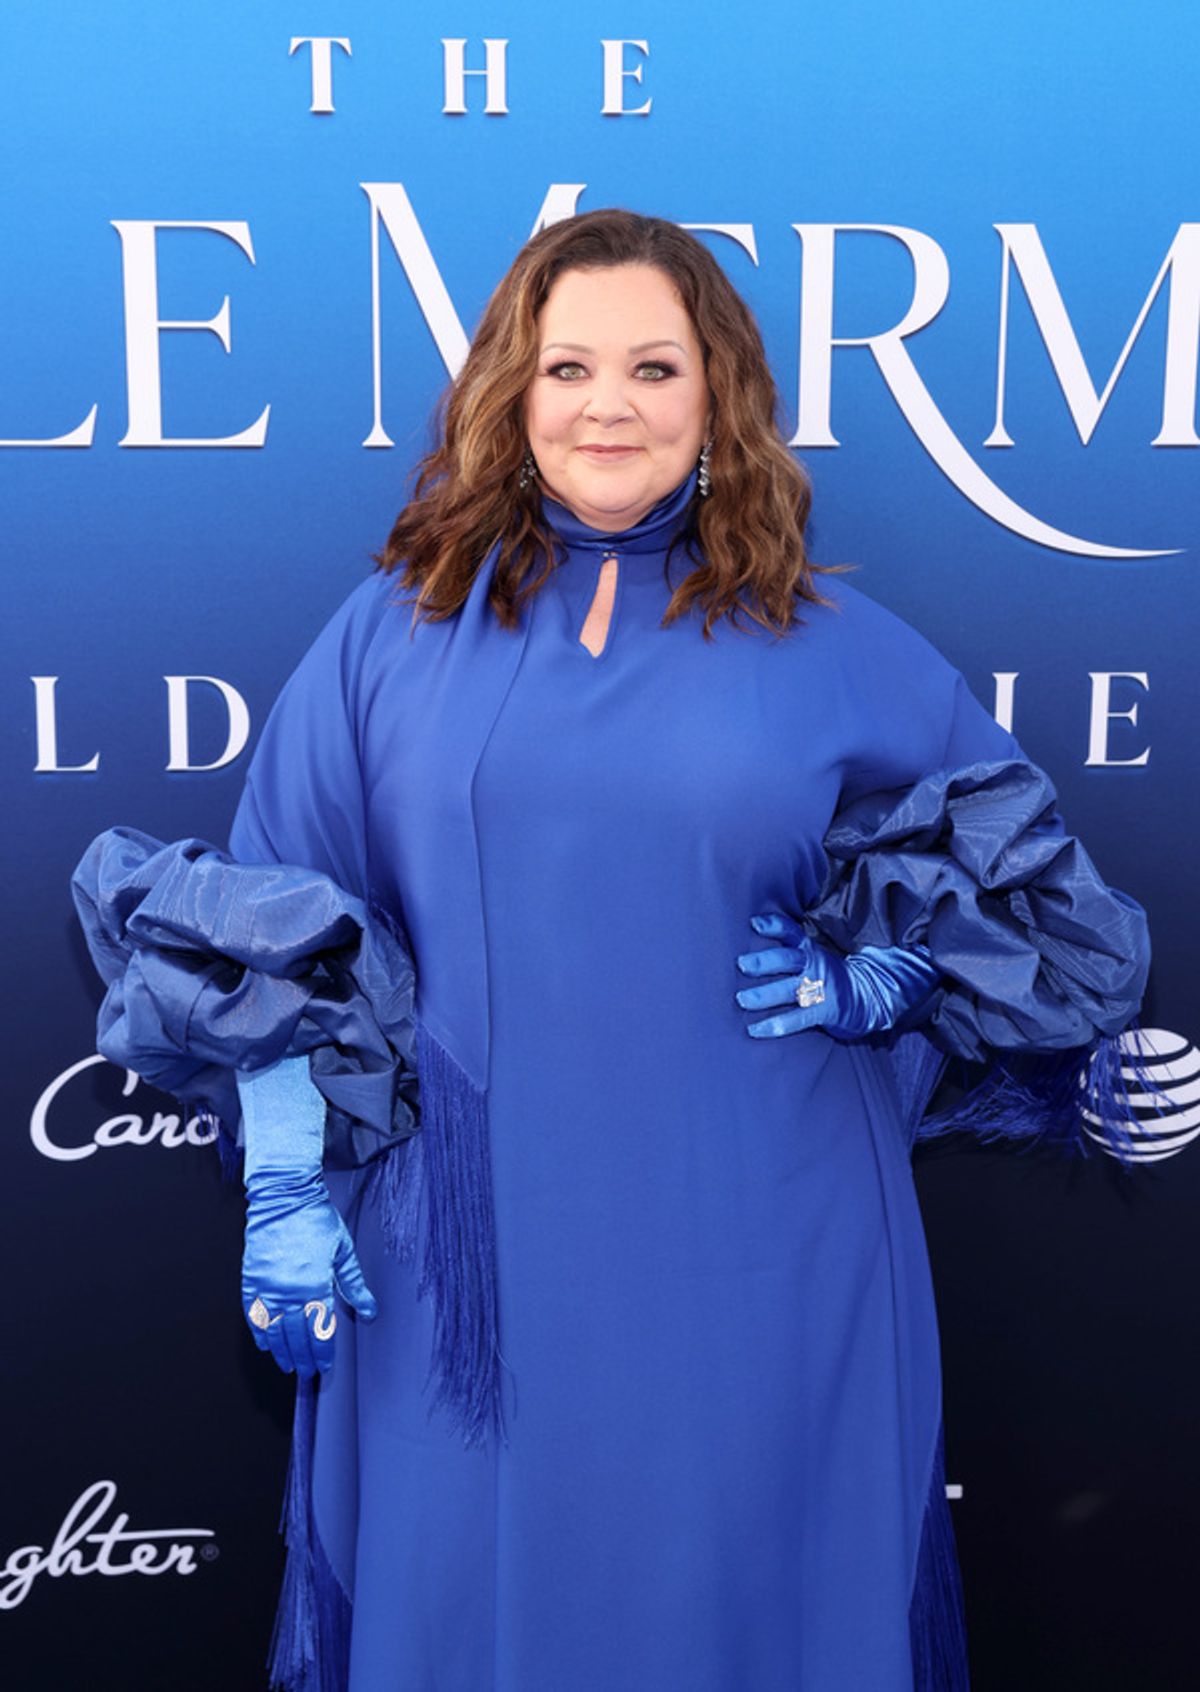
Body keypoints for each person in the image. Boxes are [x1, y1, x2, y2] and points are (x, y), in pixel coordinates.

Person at [73, 209, 1152, 1692]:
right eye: (569, 366)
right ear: (511, 395)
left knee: (751, 1617)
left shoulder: (841, 646)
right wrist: (278, 1182)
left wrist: (885, 981)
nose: (610, 406)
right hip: (461, 1273)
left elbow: (1024, 907)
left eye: (656, 366)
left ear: (720, 396)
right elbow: (272, 920)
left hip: (768, 1251)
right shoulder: (389, 636)